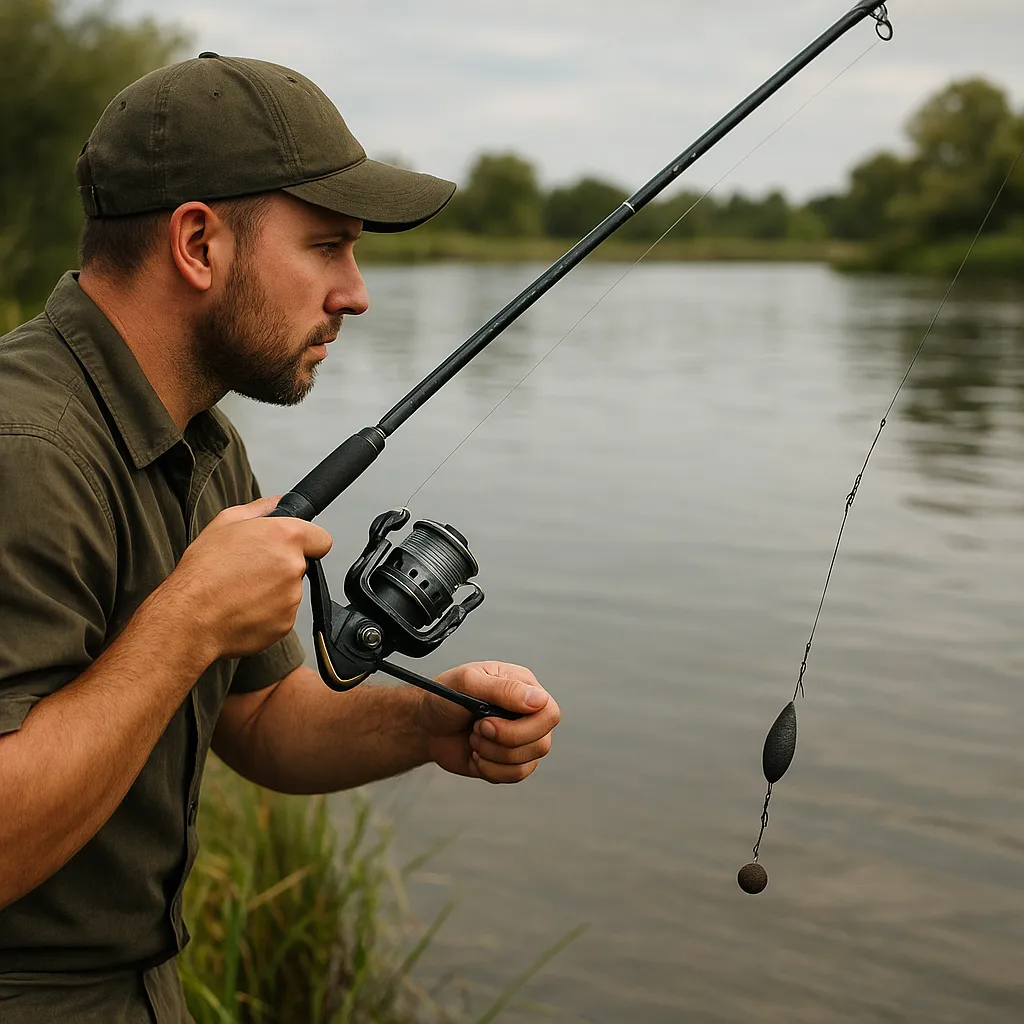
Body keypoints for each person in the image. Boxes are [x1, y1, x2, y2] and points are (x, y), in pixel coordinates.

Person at [0, 53, 560, 1022]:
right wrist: (185, 622)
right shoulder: (27, 450)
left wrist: (430, 722)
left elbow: (256, 722)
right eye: (326, 246)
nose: (355, 292)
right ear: (199, 243)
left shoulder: (202, 440)